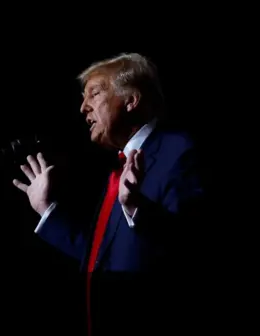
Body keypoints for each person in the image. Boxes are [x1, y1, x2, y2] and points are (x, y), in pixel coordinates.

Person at [12, 53, 207, 335]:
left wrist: (136, 208)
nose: (83, 108)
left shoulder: (178, 151)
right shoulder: (119, 171)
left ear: (131, 100)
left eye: (94, 93)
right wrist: (47, 209)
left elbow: (192, 243)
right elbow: (102, 260)